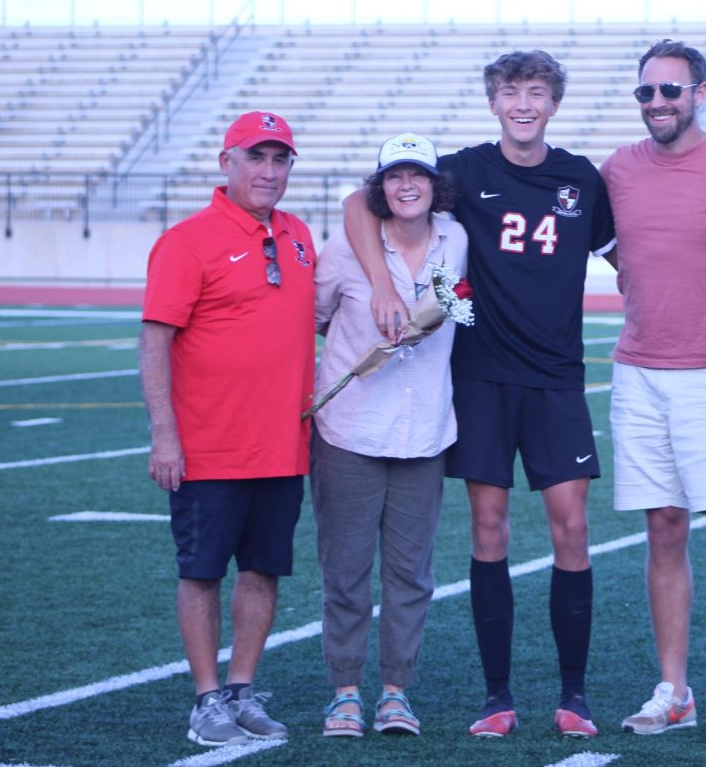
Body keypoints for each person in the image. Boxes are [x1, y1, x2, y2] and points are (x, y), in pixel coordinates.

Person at [340, 51, 616, 738]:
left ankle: (573, 696)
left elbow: (622, 251)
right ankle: (497, 696)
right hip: (483, 376)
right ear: (492, 102)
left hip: (556, 378)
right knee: (488, 530)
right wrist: (379, 282)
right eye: (510, 92)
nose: (523, 104)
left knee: (572, 531)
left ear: (555, 103)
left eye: (537, 92)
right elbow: (358, 201)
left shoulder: (582, 177)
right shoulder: (463, 169)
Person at [600, 39, 706, 741]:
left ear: (700, 92)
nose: (657, 104)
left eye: (670, 91)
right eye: (646, 93)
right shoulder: (617, 169)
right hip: (638, 369)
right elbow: (608, 242)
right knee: (662, 528)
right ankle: (675, 689)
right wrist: (634, 271)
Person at [138, 111, 314, 747]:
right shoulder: (189, 240)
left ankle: (241, 689)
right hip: (210, 446)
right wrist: (165, 434)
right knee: (202, 572)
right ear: (227, 162)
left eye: (280, 160)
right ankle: (206, 698)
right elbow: (155, 340)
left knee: (264, 571)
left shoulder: (298, 234)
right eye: (256, 158)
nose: (269, 172)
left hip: (283, 443)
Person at [311, 133, 468, 739]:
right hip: (350, 430)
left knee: (411, 574)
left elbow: (457, 304)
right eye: (396, 176)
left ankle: (396, 693)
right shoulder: (345, 251)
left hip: (425, 432)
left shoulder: (455, 239)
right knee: (346, 570)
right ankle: (346, 692)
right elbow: (318, 318)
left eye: (419, 176)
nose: (408, 186)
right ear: (380, 186)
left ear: (435, 186)